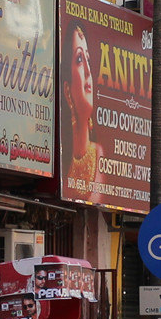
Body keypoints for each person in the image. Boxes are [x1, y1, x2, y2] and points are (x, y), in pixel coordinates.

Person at [64, 26, 102, 196]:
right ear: (67, 91)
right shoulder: (61, 164)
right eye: (79, 59)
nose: (88, 70)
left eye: (88, 59)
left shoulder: (102, 158)